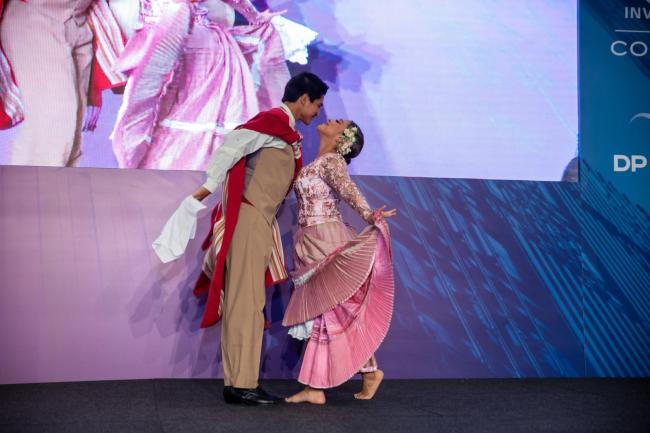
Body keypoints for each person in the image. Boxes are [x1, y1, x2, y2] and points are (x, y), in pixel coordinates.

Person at [190, 72, 328, 405]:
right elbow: (229, 150)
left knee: (249, 303)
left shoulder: (285, 132)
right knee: (245, 303)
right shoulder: (270, 122)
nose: (317, 112)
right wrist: (200, 195)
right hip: (249, 220)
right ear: (303, 99)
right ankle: (241, 385)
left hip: (260, 223)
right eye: (317, 105)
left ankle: (242, 381)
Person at [109, 0, 316, 170]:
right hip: (176, 145)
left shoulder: (204, 18)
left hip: (219, 102)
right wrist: (131, 148)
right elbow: (147, 87)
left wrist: (255, 18)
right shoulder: (169, 14)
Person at [282, 119, 396, 404]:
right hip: (311, 237)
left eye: (339, 122)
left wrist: (369, 215)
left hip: (324, 236)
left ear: (342, 139)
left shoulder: (331, 161)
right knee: (329, 309)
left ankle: (321, 386)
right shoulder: (319, 162)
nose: (331, 119)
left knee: (331, 307)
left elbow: (348, 190)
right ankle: (362, 373)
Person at [0, 0, 125, 166]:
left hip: (78, 20)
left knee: (72, 138)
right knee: (53, 131)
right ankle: (32, 183)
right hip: (37, 15)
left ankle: (54, 184)